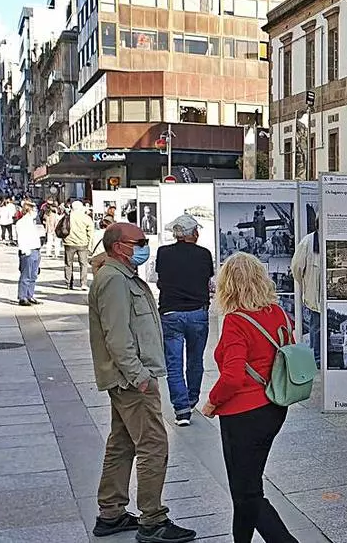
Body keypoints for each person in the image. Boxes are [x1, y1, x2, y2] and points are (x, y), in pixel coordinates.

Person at [89, 223, 196, 543]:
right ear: (119, 246)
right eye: (139, 242)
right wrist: (139, 376)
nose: (144, 246)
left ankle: (111, 513)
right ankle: (153, 520)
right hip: (132, 380)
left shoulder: (121, 276)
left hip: (129, 377)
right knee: (153, 444)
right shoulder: (113, 279)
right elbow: (117, 335)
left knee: (122, 443)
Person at [199, 252, 300, 543]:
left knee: (247, 493)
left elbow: (232, 376)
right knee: (246, 487)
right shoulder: (277, 313)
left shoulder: (235, 321)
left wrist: (212, 402)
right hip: (274, 406)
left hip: (243, 415)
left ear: (227, 285)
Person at [156, 215, 215, 427]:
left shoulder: (163, 252)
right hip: (197, 313)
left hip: (171, 313)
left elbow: (160, 280)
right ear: (194, 233)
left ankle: (181, 410)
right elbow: (207, 279)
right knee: (195, 359)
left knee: (174, 364)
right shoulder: (204, 254)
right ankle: (191, 399)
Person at [290, 224, 322, 367]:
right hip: (315, 296)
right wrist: (307, 284)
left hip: (325, 296)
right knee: (316, 326)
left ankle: (321, 359)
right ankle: (316, 359)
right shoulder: (308, 242)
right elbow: (296, 268)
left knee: (317, 327)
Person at [13, 201, 42, 306]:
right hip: (28, 251)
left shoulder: (33, 222)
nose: (36, 212)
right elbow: (21, 238)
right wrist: (26, 251)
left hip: (36, 250)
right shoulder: (21, 223)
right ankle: (22, 297)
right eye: (34, 210)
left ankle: (30, 295)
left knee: (34, 275)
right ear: (28, 210)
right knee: (26, 275)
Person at [63, 201, 95, 290]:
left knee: (68, 264)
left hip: (69, 243)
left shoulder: (67, 217)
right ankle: (83, 283)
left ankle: (68, 283)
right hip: (82, 243)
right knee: (83, 264)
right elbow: (91, 232)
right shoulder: (86, 218)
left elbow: (62, 228)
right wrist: (89, 243)